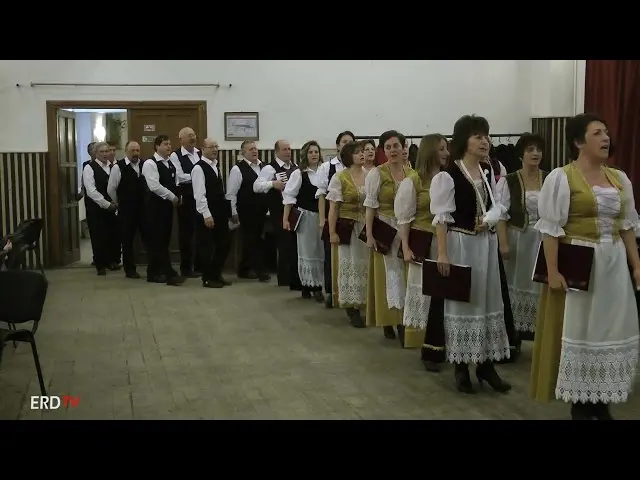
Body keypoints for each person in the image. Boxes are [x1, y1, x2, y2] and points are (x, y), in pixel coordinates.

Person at [530, 113, 640, 420]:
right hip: (581, 261)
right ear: (579, 141)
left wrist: (637, 265)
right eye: (597, 133)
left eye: (606, 132)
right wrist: (553, 271)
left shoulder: (619, 178)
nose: (605, 138)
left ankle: (600, 398)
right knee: (582, 329)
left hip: (613, 263)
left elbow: (628, 226)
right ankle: (581, 402)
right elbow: (551, 229)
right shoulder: (561, 177)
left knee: (609, 328)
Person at [430, 114, 511, 394]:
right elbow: (441, 217)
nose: (484, 141)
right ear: (464, 141)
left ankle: (486, 364)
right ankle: (462, 366)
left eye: (486, 136)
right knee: (464, 301)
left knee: (487, 300)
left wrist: (489, 217)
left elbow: (500, 207)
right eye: (477, 136)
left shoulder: (488, 172)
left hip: (485, 246)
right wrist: (442, 253)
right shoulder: (448, 176)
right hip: (461, 245)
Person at [395, 133, 449, 371]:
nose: (446, 153)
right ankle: (429, 345)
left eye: (446, 148)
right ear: (430, 152)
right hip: (423, 239)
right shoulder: (414, 181)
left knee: (444, 294)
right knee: (426, 294)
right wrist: (405, 247)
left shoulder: (449, 178)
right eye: (441, 149)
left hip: (447, 242)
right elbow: (404, 218)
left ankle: (441, 342)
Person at [496, 133, 546, 337]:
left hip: (543, 239)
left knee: (539, 284)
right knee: (516, 283)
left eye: (538, 149)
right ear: (521, 155)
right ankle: (514, 333)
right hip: (519, 238)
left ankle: (538, 330)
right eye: (530, 149)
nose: (535, 153)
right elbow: (501, 215)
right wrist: (504, 244)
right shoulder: (509, 181)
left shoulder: (550, 178)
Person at [364, 130, 412, 345]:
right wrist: (370, 234)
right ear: (384, 151)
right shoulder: (376, 174)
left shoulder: (412, 173)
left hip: (407, 230)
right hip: (385, 227)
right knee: (388, 276)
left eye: (396, 146)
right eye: (389, 147)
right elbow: (370, 206)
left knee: (406, 276)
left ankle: (405, 320)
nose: (393, 150)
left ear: (404, 148)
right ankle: (389, 319)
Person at [327, 141, 369, 327]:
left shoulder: (371, 175)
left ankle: (366, 302)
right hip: (348, 227)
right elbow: (333, 208)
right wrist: (332, 231)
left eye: (363, 152)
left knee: (365, 264)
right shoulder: (340, 177)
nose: (362, 155)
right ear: (348, 156)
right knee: (350, 264)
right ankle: (351, 306)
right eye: (357, 152)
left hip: (366, 227)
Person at [254, 140, 301, 289]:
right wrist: (272, 184)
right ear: (277, 151)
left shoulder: (295, 167)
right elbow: (256, 186)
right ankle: (284, 278)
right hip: (277, 210)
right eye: (284, 149)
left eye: (289, 149)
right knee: (284, 243)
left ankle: (293, 277)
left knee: (293, 243)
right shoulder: (269, 168)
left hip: (293, 210)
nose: (288, 152)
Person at [316, 131, 356, 307]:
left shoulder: (359, 168)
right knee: (331, 256)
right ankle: (330, 293)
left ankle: (350, 294)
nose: (347, 145)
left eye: (351, 142)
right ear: (338, 146)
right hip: (334, 216)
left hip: (353, 218)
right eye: (344, 142)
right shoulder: (327, 167)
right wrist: (323, 220)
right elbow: (322, 195)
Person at [283, 140, 325, 301]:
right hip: (306, 216)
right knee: (308, 251)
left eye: (316, 152)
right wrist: (285, 219)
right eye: (310, 152)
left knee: (321, 250)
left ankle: (319, 284)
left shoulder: (324, 171)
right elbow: (289, 196)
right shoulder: (299, 173)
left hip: (321, 216)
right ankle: (310, 285)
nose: (314, 155)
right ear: (305, 155)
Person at [142, 135, 185, 286]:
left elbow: (176, 181)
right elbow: (154, 186)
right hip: (154, 208)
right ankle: (155, 273)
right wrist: (172, 196)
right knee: (156, 241)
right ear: (157, 146)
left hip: (167, 208)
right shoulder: (150, 163)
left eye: (170, 144)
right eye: (165, 144)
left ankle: (164, 270)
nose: (169, 147)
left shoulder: (170, 163)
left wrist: (179, 195)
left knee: (164, 240)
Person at [225, 141, 270, 282]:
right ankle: (257, 269)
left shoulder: (264, 167)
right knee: (252, 240)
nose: (254, 151)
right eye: (250, 149)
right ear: (243, 153)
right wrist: (232, 212)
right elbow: (231, 193)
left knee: (257, 239)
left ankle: (246, 268)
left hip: (263, 210)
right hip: (246, 210)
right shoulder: (237, 169)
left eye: (255, 148)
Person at [107, 140, 146, 278]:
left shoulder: (144, 164)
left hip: (143, 209)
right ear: (126, 151)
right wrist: (118, 202)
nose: (136, 153)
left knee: (147, 238)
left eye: (137, 150)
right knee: (127, 240)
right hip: (126, 210)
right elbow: (111, 189)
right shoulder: (118, 167)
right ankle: (130, 269)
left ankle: (152, 265)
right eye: (132, 151)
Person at [82, 141, 119, 275]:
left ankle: (111, 261)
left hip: (113, 206)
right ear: (95, 154)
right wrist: (106, 204)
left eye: (106, 151)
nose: (105, 154)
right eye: (101, 152)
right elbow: (91, 190)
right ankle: (100, 264)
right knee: (98, 236)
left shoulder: (114, 166)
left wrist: (115, 203)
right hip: (96, 208)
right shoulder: (89, 168)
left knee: (112, 235)